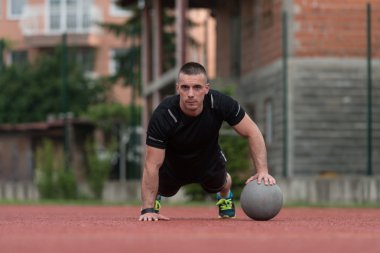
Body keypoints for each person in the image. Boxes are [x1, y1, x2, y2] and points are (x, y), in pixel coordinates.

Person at [139, 62, 276, 222]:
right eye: (185, 87)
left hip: (208, 160)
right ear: (177, 89)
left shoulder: (220, 103)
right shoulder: (163, 114)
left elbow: (252, 131)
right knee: (161, 187)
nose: (191, 94)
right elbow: (152, 164)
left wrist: (262, 170)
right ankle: (154, 201)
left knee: (221, 183)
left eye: (197, 87)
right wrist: (147, 209)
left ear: (206, 88)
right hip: (173, 164)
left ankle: (225, 197)